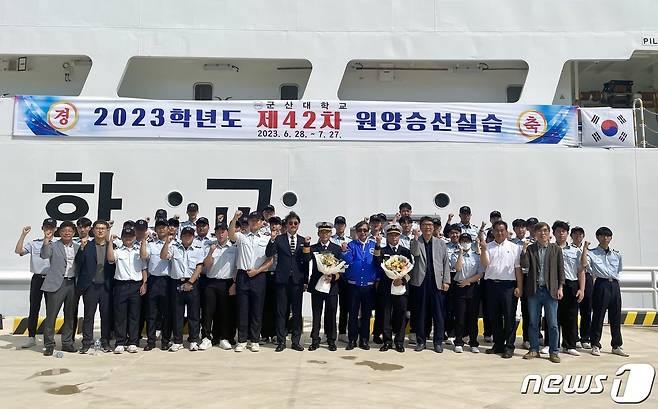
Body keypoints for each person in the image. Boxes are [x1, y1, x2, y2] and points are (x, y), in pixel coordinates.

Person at [266, 211, 310, 352]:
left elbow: (306, 261)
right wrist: (272, 239)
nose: (292, 225)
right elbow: (269, 253)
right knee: (281, 312)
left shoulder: (303, 240)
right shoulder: (280, 239)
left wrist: (305, 280)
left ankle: (296, 341)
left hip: (297, 281)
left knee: (296, 312)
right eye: (290, 223)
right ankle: (281, 341)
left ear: (298, 225)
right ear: (286, 224)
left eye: (295, 223)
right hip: (282, 280)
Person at [520, 222, 564, 364]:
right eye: (539, 231)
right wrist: (524, 252)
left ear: (549, 233)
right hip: (534, 290)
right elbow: (525, 267)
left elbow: (560, 271)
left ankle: (554, 351)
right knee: (533, 322)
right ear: (535, 234)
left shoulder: (555, 249)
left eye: (545, 231)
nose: (542, 233)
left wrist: (560, 288)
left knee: (552, 324)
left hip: (550, 290)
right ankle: (534, 349)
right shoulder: (531, 249)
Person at [581, 227, 629, 357]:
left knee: (616, 316)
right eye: (602, 236)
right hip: (601, 284)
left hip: (614, 285)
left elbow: (619, 269)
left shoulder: (616, 254)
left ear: (611, 238)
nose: (605, 238)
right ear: (597, 237)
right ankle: (595, 344)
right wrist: (585, 249)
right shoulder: (592, 253)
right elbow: (585, 265)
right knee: (598, 315)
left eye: (608, 236)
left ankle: (616, 345)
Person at [479, 220, 522, 359]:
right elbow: (485, 265)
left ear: (506, 231)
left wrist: (519, 287)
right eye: (497, 230)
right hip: (491, 285)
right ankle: (498, 345)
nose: (499, 233)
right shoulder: (488, 247)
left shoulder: (515, 248)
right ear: (492, 231)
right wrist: (484, 249)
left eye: (502, 230)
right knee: (494, 317)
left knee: (509, 317)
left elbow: (518, 269)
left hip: (508, 286)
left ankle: (509, 346)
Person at [229, 210, 271, 352]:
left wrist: (257, 271)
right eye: (252, 220)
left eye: (257, 220)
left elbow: (270, 260)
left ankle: (254, 340)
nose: (254, 222)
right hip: (243, 275)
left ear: (261, 222)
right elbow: (230, 234)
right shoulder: (242, 237)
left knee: (257, 310)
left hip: (259, 276)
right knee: (242, 309)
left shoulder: (266, 239)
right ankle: (241, 340)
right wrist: (234, 218)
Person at [409, 216, 451, 353]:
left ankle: (438, 342)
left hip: (436, 281)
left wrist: (446, 281)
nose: (428, 227)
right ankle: (421, 341)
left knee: (438, 313)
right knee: (421, 313)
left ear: (434, 227)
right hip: (421, 282)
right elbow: (414, 253)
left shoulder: (441, 243)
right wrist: (415, 238)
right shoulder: (416, 241)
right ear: (421, 227)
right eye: (425, 225)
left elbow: (445, 263)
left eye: (430, 225)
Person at [14, 218, 57, 349]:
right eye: (46, 227)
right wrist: (23, 235)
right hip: (37, 278)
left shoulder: (58, 244)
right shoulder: (34, 243)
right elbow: (18, 251)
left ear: (55, 229)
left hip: (51, 278)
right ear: (42, 228)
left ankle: (49, 339)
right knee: (34, 308)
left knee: (51, 310)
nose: (48, 230)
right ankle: (31, 337)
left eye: (51, 227)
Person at [160, 226, 205, 352]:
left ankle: (193, 340)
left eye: (190, 235)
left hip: (192, 283)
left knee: (194, 314)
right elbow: (163, 256)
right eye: (185, 235)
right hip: (177, 283)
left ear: (193, 237)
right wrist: (167, 243)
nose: (187, 237)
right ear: (181, 237)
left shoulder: (198, 249)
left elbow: (199, 267)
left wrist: (190, 282)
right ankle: (178, 341)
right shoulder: (174, 247)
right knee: (177, 314)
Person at [39, 221, 80, 356]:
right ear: (59, 232)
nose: (67, 233)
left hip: (72, 283)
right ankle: (49, 344)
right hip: (57, 283)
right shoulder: (53, 245)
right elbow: (44, 255)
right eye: (64, 231)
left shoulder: (78, 246)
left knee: (70, 316)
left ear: (74, 233)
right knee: (52, 316)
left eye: (70, 231)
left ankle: (67, 343)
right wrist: (46, 239)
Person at [76, 220, 115, 354]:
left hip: (106, 286)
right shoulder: (87, 245)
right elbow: (78, 264)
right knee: (89, 316)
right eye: (98, 228)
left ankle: (105, 342)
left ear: (106, 230)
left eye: (103, 228)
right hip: (90, 286)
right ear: (93, 230)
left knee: (106, 316)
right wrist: (81, 248)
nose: (100, 231)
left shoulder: (112, 246)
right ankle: (87, 343)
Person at [107, 226, 147, 354]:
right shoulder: (118, 250)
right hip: (121, 285)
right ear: (122, 238)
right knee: (120, 315)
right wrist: (110, 243)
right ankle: (120, 342)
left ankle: (133, 342)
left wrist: (144, 283)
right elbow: (110, 259)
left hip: (136, 285)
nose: (128, 239)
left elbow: (144, 266)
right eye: (125, 237)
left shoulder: (138, 251)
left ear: (135, 237)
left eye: (130, 237)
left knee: (134, 315)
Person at [375, 223, 413, 352]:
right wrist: (378, 245)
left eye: (396, 235)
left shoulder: (405, 251)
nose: (394, 237)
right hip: (386, 288)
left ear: (399, 236)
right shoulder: (383, 251)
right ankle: (387, 341)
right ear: (387, 236)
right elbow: (376, 263)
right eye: (391, 235)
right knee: (386, 315)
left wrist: (401, 279)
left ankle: (399, 341)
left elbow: (410, 271)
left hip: (401, 288)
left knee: (401, 316)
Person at [341, 220, 379, 350]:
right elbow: (350, 261)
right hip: (354, 285)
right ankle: (352, 339)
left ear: (368, 231)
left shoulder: (374, 246)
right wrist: (344, 252)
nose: (362, 232)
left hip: (368, 286)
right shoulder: (351, 245)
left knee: (366, 314)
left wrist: (377, 280)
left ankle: (364, 340)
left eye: (365, 230)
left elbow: (377, 264)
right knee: (352, 313)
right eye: (360, 230)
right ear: (356, 232)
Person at [200, 222, 237, 350]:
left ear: (227, 232)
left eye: (223, 231)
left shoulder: (233, 248)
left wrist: (234, 284)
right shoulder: (210, 246)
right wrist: (210, 252)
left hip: (227, 282)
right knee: (208, 312)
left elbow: (237, 267)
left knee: (225, 312)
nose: (220, 234)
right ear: (215, 233)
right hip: (211, 282)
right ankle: (206, 338)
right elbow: (206, 264)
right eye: (218, 231)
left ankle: (223, 338)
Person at [308, 222, 343, 352]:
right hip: (317, 286)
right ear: (318, 233)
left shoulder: (337, 248)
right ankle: (315, 339)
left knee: (331, 313)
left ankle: (331, 340)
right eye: (322, 232)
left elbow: (342, 269)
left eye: (327, 232)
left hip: (332, 286)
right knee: (316, 313)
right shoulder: (313, 248)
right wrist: (306, 245)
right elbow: (306, 260)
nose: (324, 235)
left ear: (331, 234)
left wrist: (333, 277)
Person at [140, 218, 173, 351]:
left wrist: (167, 243)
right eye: (159, 227)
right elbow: (143, 256)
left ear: (168, 228)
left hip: (167, 281)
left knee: (166, 313)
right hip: (153, 281)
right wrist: (144, 240)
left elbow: (166, 257)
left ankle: (165, 341)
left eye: (164, 226)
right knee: (151, 314)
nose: (161, 229)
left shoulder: (174, 244)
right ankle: (151, 341)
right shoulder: (150, 244)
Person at [553, 220, 585, 356]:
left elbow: (581, 271)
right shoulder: (549, 249)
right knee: (553, 316)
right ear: (553, 233)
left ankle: (569, 345)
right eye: (558, 231)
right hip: (553, 285)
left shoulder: (575, 251)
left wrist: (582, 289)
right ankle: (552, 344)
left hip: (571, 285)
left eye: (563, 231)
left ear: (567, 234)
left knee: (571, 316)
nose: (561, 233)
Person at [451, 233, 484, 354]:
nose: (465, 242)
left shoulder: (477, 256)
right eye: (463, 240)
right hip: (459, 287)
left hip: (473, 287)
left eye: (467, 240)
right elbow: (458, 268)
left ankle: (473, 343)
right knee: (459, 317)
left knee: (472, 317)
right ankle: (458, 342)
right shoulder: (455, 254)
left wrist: (468, 281)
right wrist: (460, 253)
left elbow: (480, 273)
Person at [261, 216, 282, 344]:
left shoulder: (284, 238)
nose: (274, 226)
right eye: (272, 224)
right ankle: (265, 333)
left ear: (280, 226)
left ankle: (275, 333)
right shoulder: (265, 237)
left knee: (277, 306)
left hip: (279, 275)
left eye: (276, 224)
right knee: (264, 305)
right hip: (266, 273)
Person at [571, 226, 592, 349]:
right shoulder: (568, 249)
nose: (578, 236)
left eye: (580, 234)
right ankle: (575, 337)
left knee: (586, 309)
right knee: (573, 310)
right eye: (575, 234)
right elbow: (582, 264)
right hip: (574, 278)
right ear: (571, 236)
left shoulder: (589, 250)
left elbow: (589, 266)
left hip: (587, 278)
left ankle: (585, 337)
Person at [330, 215, 351, 343]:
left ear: (345, 225)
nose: (340, 226)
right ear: (335, 226)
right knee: (331, 306)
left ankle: (342, 332)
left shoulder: (350, 240)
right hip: (331, 274)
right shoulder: (330, 239)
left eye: (342, 224)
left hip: (345, 275)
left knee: (344, 306)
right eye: (338, 224)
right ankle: (329, 332)